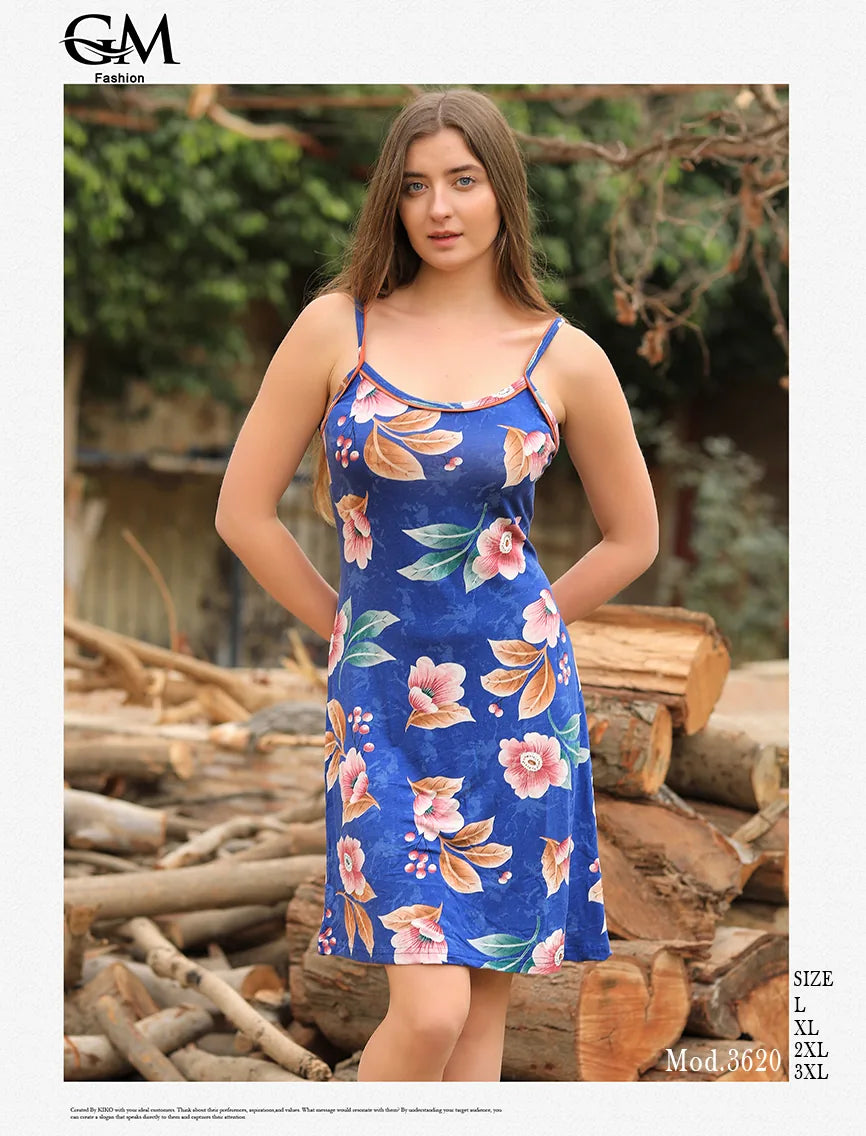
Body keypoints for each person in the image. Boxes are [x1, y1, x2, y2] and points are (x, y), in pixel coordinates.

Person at [215, 87, 659, 1083]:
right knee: (427, 1011)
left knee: (478, 1023)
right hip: (380, 702)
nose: (439, 207)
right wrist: (346, 626)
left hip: (518, 709)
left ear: (501, 191)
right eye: (414, 187)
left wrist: (530, 618)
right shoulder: (338, 329)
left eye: (462, 181)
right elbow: (241, 511)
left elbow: (632, 535)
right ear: (391, 202)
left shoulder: (566, 357)